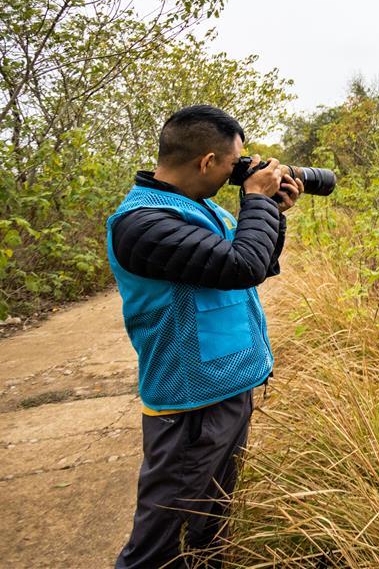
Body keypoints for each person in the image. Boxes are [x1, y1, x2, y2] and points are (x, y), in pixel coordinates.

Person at [107, 105, 303, 568]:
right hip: (189, 402)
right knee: (163, 535)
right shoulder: (142, 223)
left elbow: (258, 262)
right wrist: (255, 200)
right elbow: (241, 266)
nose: (239, 173)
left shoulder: (201, 210)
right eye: (235, 164)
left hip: (228, 386)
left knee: (210, 521)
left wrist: (272, 210)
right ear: (206, 161)